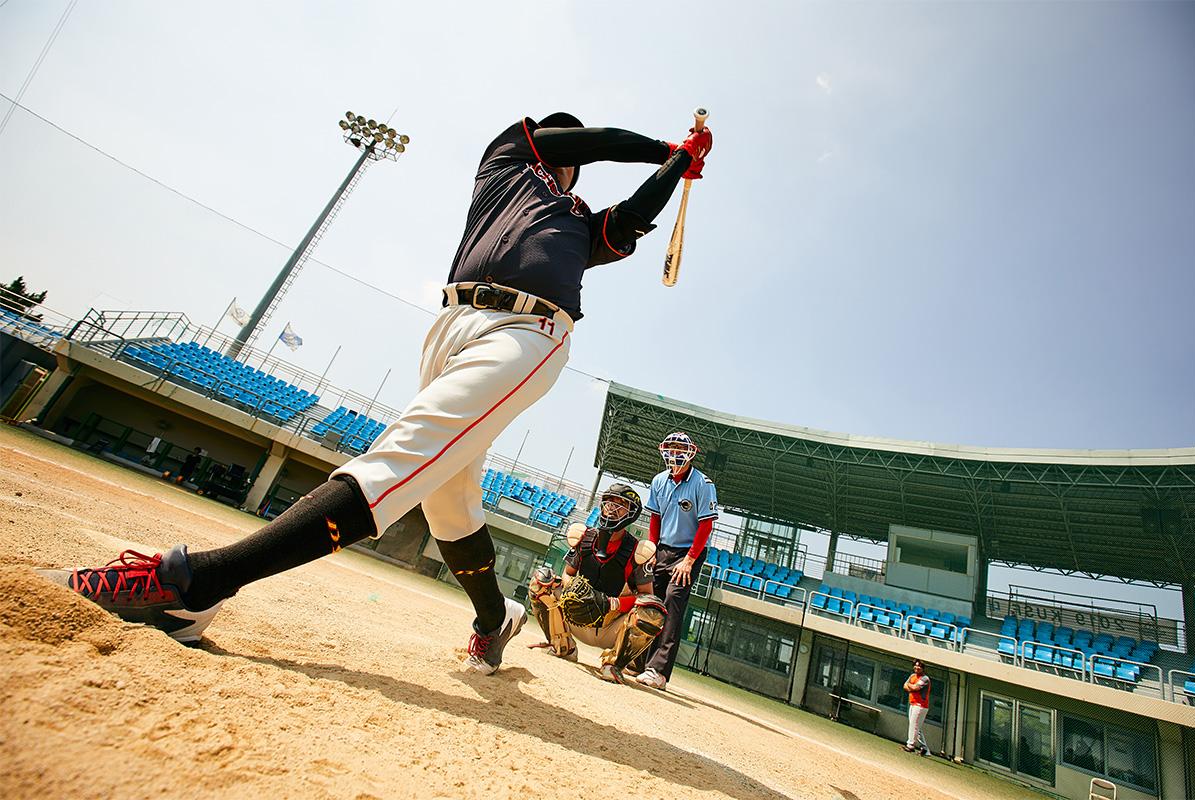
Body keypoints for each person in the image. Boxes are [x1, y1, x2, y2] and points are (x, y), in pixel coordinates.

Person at [39, 113, 714, 677]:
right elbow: (587, 141)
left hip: (529, 328)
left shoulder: (575, 219)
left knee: (404, 455)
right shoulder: (508, 159)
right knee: (447, 498)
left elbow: (626, 223)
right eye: (562, 139)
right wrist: (662, 147)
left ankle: (198, 584)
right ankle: (494, 617)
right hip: (452, 324)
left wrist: (673, 169)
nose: (564, 143)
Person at [526, 483, 666, 683]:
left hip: (610, 627)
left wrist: (614, 603)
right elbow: (567, 574)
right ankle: (562, 645)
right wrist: (574, 589)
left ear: (632, 513)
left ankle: (614, 664)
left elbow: (648, 597)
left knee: (654, 610)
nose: (612, 508)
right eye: (609, 502)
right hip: (575, 616)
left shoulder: (638, 551)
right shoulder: (583, 536)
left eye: (621, 504)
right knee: (541, 580)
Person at [635, 432, 718, 690]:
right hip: (662, 549)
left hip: (687, 554)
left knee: (672, 602)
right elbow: (655, 518)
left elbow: (706, 525)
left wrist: (689, 560)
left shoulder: (703, 484)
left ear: (691, 452)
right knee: (651, 601)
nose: (675, 453)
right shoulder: (658, 480)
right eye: (671, 447)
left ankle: (658, 671)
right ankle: (637, 661)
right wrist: (651, 549)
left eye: (681, 448)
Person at [902, 658, 932, 755]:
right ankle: (925, 749)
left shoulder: (925, 678)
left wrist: (910, 686)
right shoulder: (913, 676)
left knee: (914, 726)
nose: (917, 667)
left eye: (919, 666)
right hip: (913, 703)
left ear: (923, 668)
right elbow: (905, 686)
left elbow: (916, 687)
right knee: (916, 727)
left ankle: (910, 745)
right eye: (916, 665)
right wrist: (912, 687)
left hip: (920, 705)